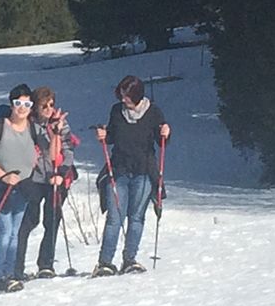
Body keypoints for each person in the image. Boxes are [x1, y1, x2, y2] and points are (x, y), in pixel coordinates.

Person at [94, 75, 170, 276]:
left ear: (137, 94)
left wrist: (165, 132)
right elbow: (112, 137)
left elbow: (161, 140)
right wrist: (103, 135)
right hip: (119, 170)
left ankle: (129, 259)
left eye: (126, 95)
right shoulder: (116, 111)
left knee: (136, 218)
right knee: (115, 218)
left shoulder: (153, 112)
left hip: (143, 172)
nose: (123, 99)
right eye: (121, 94)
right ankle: (104, 262)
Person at [0, 84, 41, 293]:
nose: (22, 108)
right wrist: (3, 176)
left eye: (27, 104)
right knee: (4, 231)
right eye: (18, 103)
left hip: (23, 188)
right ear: (11, 104)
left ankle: (9, 274)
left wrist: (57, 130)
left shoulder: (32, 128)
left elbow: (48, 150)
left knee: (15, 233)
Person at [14, 86, 77, 280]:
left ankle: (46, 264)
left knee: (52, 219)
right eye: (44, 106)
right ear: (36, 107)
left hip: (56, 177)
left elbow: (67, 151)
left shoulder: (60, 123)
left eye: (51, 105)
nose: (49, 109)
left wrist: (62, 172)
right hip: (34, 178)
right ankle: (16, 266)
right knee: (29, 220)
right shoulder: (28, 124)